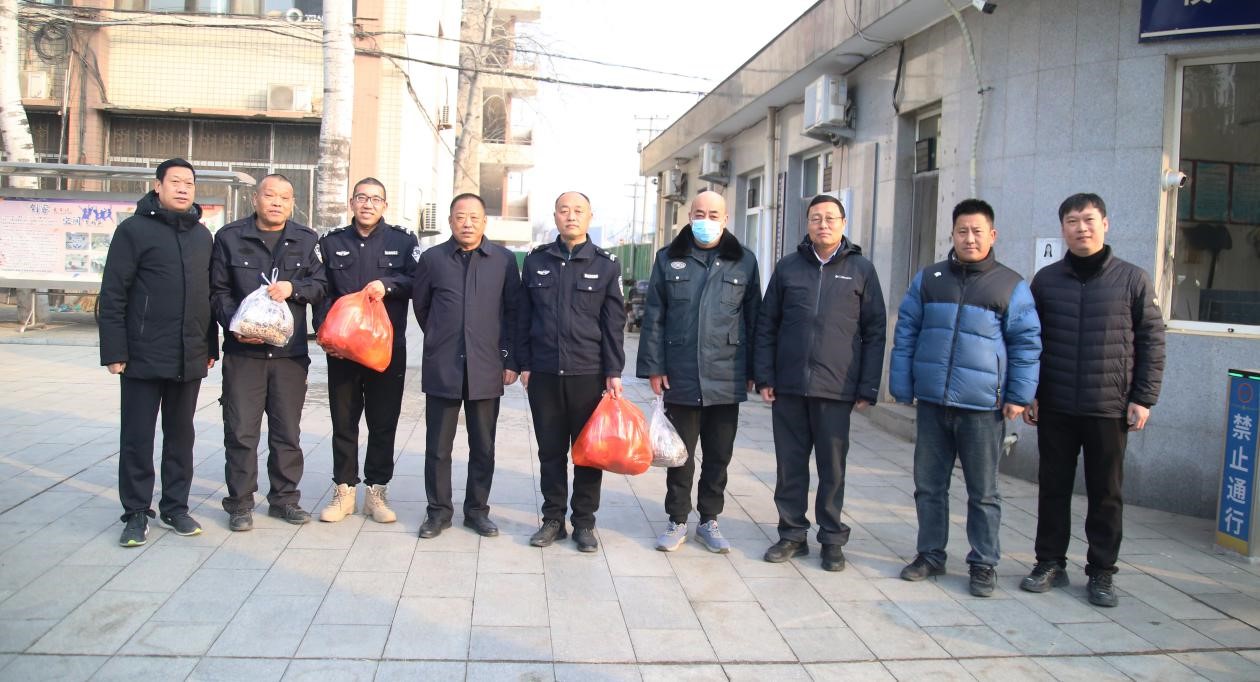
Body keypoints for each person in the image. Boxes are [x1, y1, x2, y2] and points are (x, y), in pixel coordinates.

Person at [1020, 193, 1165, 607]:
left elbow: (1153, 341)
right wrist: (1030, 392)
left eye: (1088, 220)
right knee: (1053, 489)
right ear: (1062, 229)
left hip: (1109, 406)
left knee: (1106, 494)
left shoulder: (1133, 279)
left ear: (1105, 224)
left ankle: (1102, 572)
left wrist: (1143, 397)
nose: (1081, 228)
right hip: (1056, 404)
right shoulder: (1046, 280)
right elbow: (1030, 341)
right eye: (1072, 221)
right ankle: (1050, 562)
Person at [891, 199, 1042, 597]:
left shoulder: (1009, 284)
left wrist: (1019, 395)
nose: (969, 238)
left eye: (977, 231)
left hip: (983, 407)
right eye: (962, 231)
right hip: (933, 404)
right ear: (953, 234)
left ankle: (983, 563)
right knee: (928, 486)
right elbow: (906, 332)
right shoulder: (930, 279)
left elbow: (1026, 343)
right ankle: (930, 555)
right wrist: (902, 386)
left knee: (984, 491)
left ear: (992, 235)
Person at [754, 194, 885, 571]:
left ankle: (832, 538)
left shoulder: (861, 269)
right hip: (790, 386)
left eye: (830, 218)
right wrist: (765, 376)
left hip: (836, 387)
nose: (823, 224)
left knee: (832, 469)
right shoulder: (788, 268)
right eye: (815, 218)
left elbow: (875, 331)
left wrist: (868, 385)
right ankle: (792, 534)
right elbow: (767, 324)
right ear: (807, 224)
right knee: (790, 466)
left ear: (843, 223)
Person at [99, 158, 218, 546]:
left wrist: (210, 345)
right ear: (158, 186)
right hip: (142, 354)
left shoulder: (202, 236)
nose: (183, 189)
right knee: (137, 436)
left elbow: (207, 297)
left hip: (189, 354)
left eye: (189, 183)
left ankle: (175, 507)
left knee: (181, 436)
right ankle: (136, 511)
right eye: (176, 182)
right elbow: (113, 293)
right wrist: (114, 350)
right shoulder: (133, 231)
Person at [637, 190, 761, 553]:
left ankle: (709, 520)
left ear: (726, 219)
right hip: (681, 372)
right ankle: (677, 519)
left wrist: (754, 370)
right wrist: (654, 367)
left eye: (714, 215)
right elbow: (654, 316)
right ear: (689, 216)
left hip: (727, 373)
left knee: (719, 455)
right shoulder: (668, 258)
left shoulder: (744, 261)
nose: (706, 221)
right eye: (700, 214)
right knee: (680, 455)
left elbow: (754, 319)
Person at [210, 174, 326, 531]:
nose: (276, 202)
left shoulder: (306, 240)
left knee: (287, 432)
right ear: (255, 199)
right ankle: (240, 503)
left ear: (292, 203)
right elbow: (217, 291)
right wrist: (236, 325)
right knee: (241, 431)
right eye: (270, 195)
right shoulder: (229, 237)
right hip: (243, 355)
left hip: (289, 356)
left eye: (284, 197)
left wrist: (294, 288)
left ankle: (285, 499)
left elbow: (321, 285)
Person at [518, 191, 626, 552]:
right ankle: (553, 520)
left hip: (588, 374)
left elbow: (614, 324)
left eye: (578, 210)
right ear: (555, 217)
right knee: (550, 452)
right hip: (545, 373)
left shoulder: (606, 265)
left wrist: (614, 371)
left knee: (588, 452)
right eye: (564, 210)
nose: (571, 216)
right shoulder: (536, 261)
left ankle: (584, 523)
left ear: (590, 216)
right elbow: (524, 317)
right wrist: (524, 363)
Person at [412, 193, 521, 539]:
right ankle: (438, 512)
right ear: (450, 221)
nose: (468, 223)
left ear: (484, 222)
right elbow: (422, 307)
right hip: (443, 366)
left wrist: (509, 359)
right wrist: (441, 337)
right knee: (438, 447)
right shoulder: (432, 259)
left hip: (487, 366)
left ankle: (477, 511)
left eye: (474, 217)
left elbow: (513, 312)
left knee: (483, 446)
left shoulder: (503, 260)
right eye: (460, 217)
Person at [315, 178, 418, 524]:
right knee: (344, 422)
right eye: (362, 198)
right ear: (352, 203)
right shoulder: (331, 242)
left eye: (375, 199)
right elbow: (320, 290)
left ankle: (377, 492)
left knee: (383, 422)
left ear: (385, 205)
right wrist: (325, 333)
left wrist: (387, 285)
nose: (368, 204)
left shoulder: (403, 241)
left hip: (385, 351)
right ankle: (344, 491)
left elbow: (417, 281)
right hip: (342, 350)